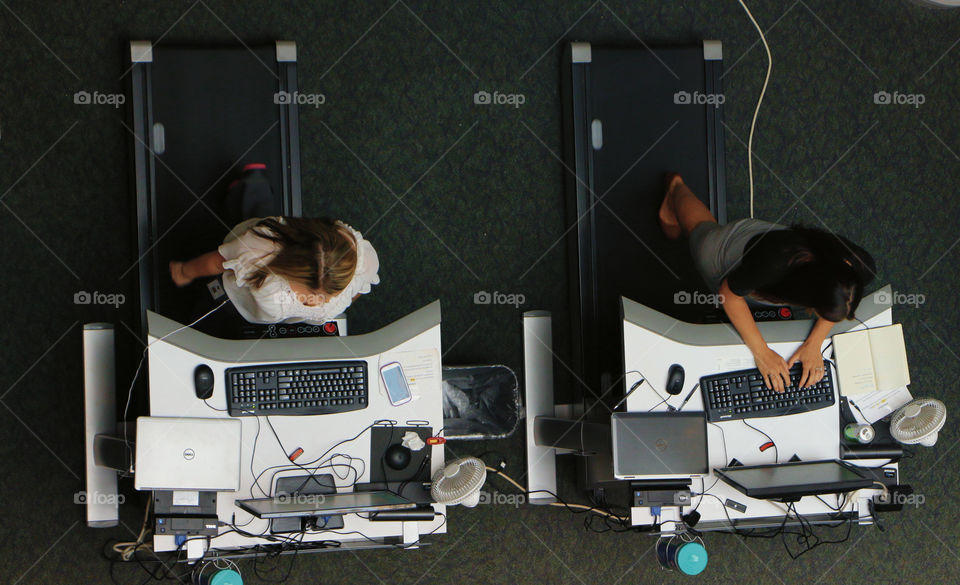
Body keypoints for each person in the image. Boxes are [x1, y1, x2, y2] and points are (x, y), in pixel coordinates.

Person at [658, 173, 875, 392]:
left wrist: (815, 343)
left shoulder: (856, 265)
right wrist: (762, 353)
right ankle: (675, 191)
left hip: (770, 261)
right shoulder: (775, 261)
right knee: (700, 229)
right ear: (811, 290)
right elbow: (729, 295)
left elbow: (840, 295)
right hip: (730, 254)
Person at [168, 166, 379, 325]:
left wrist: (347, 294)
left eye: (331, 296)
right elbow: (217, 262)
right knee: (200, 315)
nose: (318, 303)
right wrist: (184, 272)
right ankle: (249, 189)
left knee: (255, 216)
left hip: (279, 252)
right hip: (236, 299)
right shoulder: (258, 253)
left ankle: (249, 189)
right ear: (290, 269)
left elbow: (358, 289)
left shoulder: (363, 260)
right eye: (316, 294)